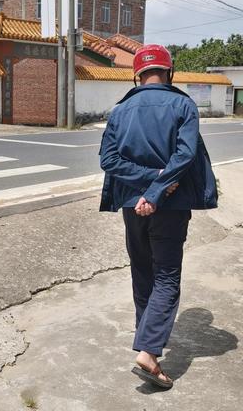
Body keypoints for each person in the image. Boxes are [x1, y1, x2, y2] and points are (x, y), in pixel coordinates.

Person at [99, 44, 218, 389]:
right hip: (170, 204)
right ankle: (149, 352)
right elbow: (185, 156)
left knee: (142, 274)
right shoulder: (183, 104)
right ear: (170, 72)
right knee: (166, 276)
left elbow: (108, 160)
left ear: (137, 74)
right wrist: (157, 188)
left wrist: (144, 187)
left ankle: (146, 340)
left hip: (131, 206)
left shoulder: (121, 110)